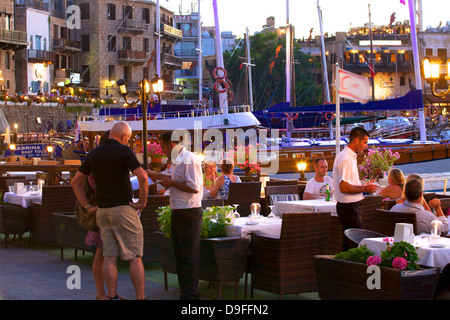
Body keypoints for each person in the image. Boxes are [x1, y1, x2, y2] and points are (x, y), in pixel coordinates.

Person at [71, 121, 148, 300]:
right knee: (135, 256)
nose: (127, 142)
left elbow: (76, 182)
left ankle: (111, 296)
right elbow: (142, 176)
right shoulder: (124, 151)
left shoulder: (93, 154)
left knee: (109, 256)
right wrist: (142, 202)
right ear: (123, 136)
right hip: (122, 208)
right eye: (128, 139)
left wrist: (87, 206)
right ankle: (141, 297)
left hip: (102, 211)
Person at [146, 131, 203, 300]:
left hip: (189, 212)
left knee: (189, 256)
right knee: (180, 255)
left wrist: (170, 183)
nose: (161, 150)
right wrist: (156, 175)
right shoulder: (176, 161)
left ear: (171, 145)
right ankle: (186, 291)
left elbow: (194, 187)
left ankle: (191, 294)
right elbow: (173, 178)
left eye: (163, 146)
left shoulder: (189, 159)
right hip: (177, 210)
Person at [332, 127, 378, 251]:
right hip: (349, 207)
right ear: (356, 141)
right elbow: (344, 187)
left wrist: (364, 185)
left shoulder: (350, 157)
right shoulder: (346, 158)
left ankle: (345, 266)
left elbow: (348, 183)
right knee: (355, 244)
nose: (366, 146)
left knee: (349, 243)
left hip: (351, 206)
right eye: (365, 142)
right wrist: (364, 188)